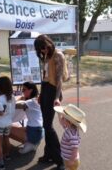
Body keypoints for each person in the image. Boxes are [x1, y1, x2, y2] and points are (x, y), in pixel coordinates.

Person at [34, 34, 66, 170]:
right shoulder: (46, 56)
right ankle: (48, 154)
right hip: (46, 90)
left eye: (43, 47)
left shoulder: (58, 55)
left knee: (48, 126)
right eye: (40, 49)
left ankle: (60, 159)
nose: (42, 51)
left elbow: (59, 80)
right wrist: (41, 93)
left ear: (49, 43)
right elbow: (44, 77)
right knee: (46, 125)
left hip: (54, 91)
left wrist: (57, 98)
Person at [0, 76, 15, 170]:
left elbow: (1, 112)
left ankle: (1, 163)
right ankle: (7, 155)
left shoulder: (0, 98)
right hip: (9, 123)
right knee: (6, 139)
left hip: (0, 124)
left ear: (0, 87)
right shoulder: (12, 97)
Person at [14, 82, 44, 154]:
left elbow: (14, 105)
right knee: (19, 127)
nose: (22, 91)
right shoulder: (37, 99)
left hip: (34, 132)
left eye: (24, 90)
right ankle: (33, 143)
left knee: (7, 128)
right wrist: (23, 97)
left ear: (30, 90)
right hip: (40, 131)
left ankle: (30, 144)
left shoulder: (31, 102)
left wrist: (20, 97)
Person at [54, 104, 87, 170]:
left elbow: (75, 149)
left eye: (63, 118)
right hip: (67, 158)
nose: (62, 118)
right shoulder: (69, 128)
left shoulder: (72, 135)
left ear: (69, 122)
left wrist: (71, 161)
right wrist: (59, 114)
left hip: (71, 160)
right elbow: (61, 122)